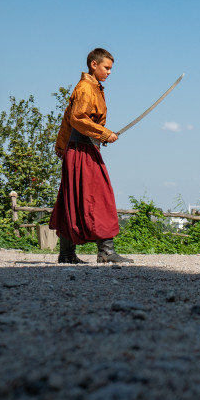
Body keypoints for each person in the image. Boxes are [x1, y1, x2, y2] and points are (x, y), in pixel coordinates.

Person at [50, 48, 131, 264]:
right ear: (94, 65)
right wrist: (104, 133)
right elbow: (77, 119)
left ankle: (67, 254)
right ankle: (105, 251)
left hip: (81, 148)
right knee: (100, 196)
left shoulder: (93, 87)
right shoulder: (86, 88)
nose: (109, 72)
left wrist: (102, 137)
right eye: (107, 67)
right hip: (80, 151)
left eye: (111, 68)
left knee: (74, 198)